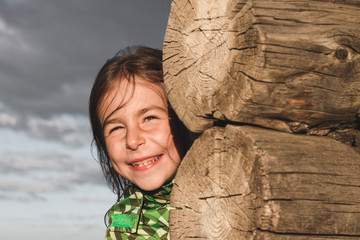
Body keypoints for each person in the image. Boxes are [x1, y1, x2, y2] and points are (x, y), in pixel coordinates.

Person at [89, 46, 189, 239]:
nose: (133, 141)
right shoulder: (121, 220)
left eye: (149, 118)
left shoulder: (222, 204)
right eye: (116, 128)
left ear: (183, 120)